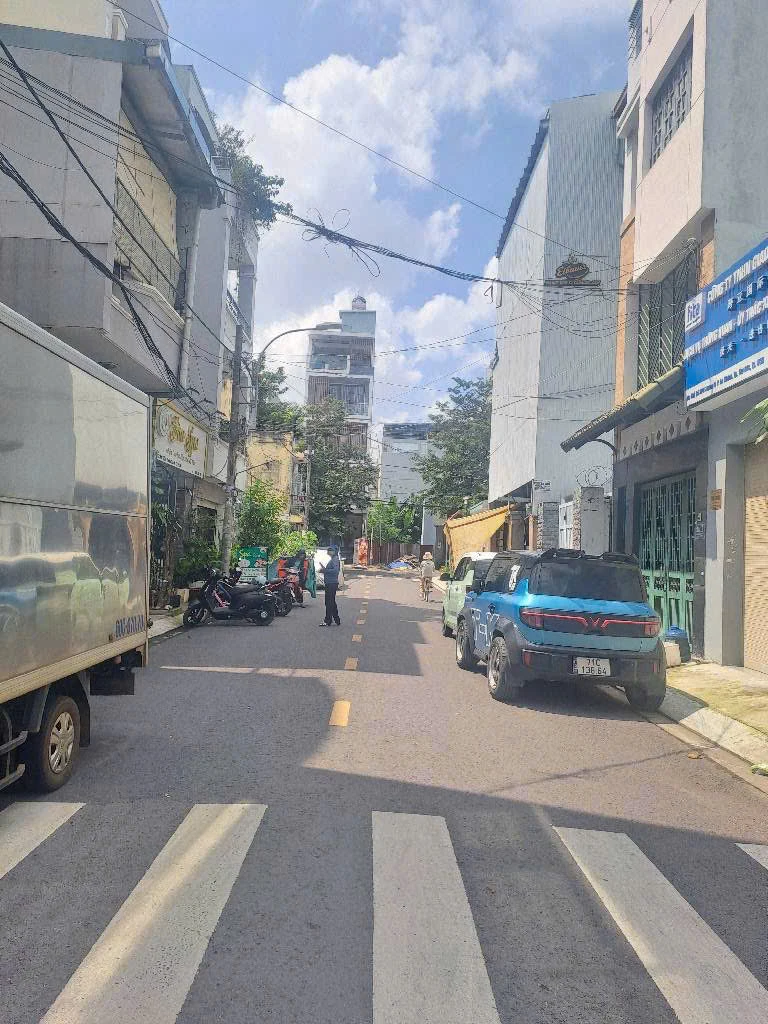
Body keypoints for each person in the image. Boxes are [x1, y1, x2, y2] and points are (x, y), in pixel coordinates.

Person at [319, 545, 342, 626]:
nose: (328, 551)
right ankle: (336, 619)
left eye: (331, 550)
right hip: (330, 582)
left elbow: (335, 571)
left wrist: (324, 570)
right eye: (328, 550)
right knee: (331, 602)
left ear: (335, 551)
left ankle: (328, 620)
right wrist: (324, 569)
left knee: (329, 602)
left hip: (331, 583)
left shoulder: (335, 560)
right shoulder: (333, 559)